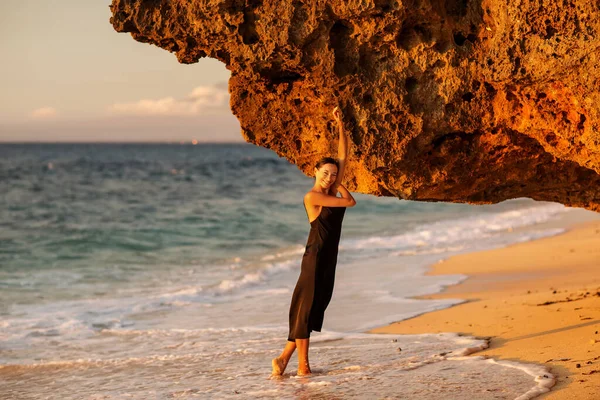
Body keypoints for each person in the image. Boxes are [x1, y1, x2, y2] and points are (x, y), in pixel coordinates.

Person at [271, 106, 357, 376]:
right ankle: (303, 367)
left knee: (314, 307)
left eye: (333, 174)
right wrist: (340, 185)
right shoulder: (313, 197)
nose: (330, 177)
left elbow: (344, 156)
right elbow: (350, 202)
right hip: (315, 255)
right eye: (325, 173)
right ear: (315, 171)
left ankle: (283, 359)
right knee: (306, 309)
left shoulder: (331, 186)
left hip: (328, 255)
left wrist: (340, 124)